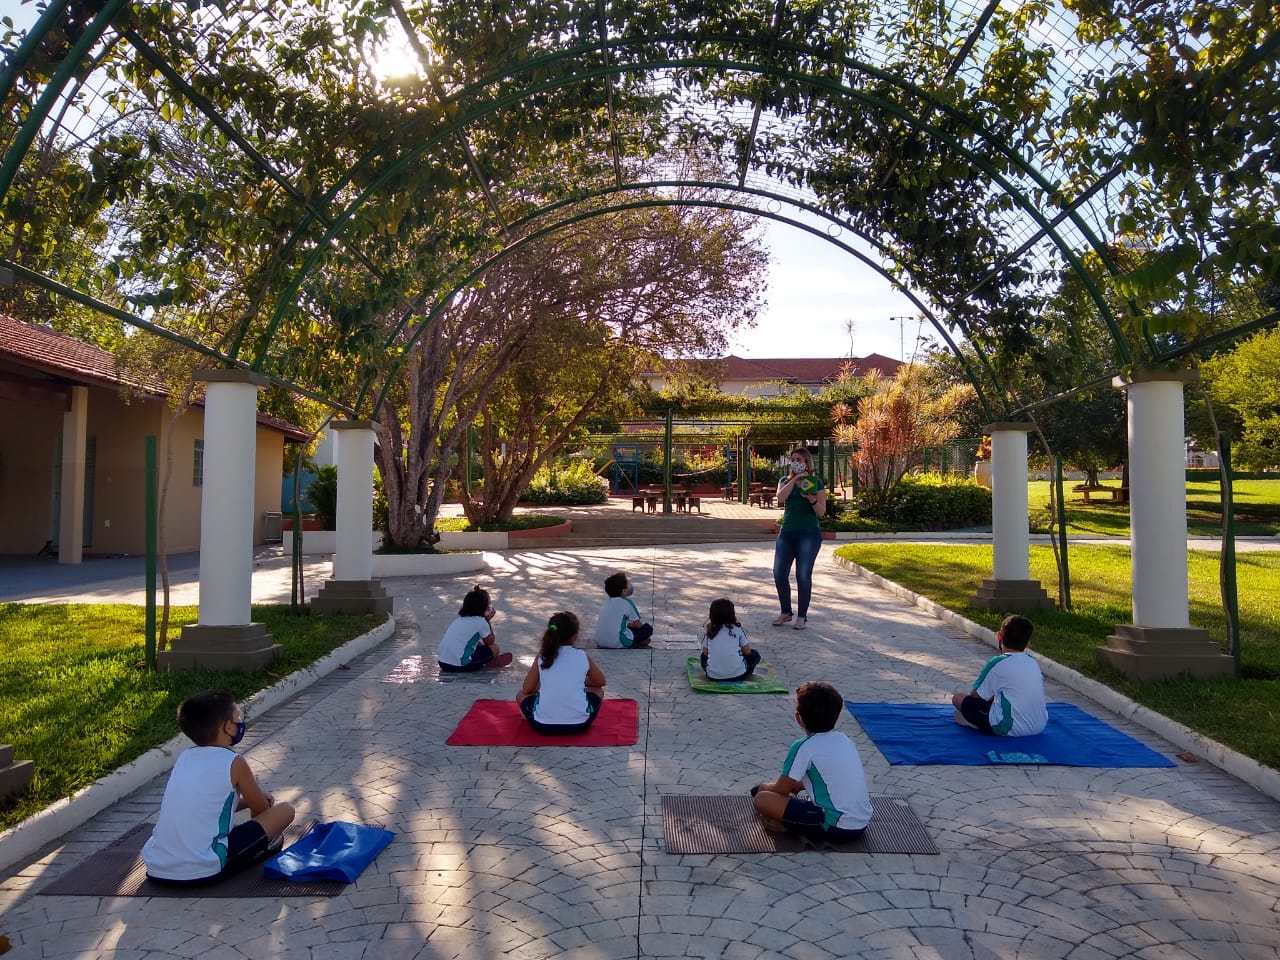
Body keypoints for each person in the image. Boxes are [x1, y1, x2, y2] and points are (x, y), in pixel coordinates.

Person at [142, 690, 296, 884]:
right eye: (238, 716)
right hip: (203, 868)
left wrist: (245, 802)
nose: (240, 721)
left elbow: (206, 805)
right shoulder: (234, 762)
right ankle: (260, 848)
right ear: (228, 727)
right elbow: (262, 809)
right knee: (285, 811)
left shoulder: (184, 758)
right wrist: (255, 805)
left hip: (156, 867)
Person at [751, 681, 873, 842]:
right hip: (861, 822)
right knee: (795, 791)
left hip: (835, 827)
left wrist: (763, 787)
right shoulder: (844, 740)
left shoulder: (803, 747)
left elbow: (781, 790)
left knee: (761, 798)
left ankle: (790, 824)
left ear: (798, 718)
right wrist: (800, 785)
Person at [952, 614, 1047, 736]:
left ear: (999, 636)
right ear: (1028, 643)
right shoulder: (1033, 662)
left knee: (958, 698)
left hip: (1008, 727)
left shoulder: (998, 662)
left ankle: (973, 721)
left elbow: (976, 695)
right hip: (1039, 725)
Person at [517, 611, 607, 734]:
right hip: (580, 724)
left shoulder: (543, 656)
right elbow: (600, 682)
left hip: (543, 726)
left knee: (520, 695)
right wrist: (582, 681)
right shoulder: (581, 655)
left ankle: (531, 713)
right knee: (597, 691)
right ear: (574, 636)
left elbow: (527, 689)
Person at [772, 446, 827, 630]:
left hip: (808, 534)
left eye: (799, 460)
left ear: (806, 462)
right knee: (779, 573)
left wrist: (810, 498)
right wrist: (794, 479)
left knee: (802, 575)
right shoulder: (784, 480)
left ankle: (802, 616)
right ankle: (786, 612)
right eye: (793, 459)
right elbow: (780, 498)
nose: (796, 462)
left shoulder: (816, 482)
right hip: (787, 533)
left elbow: (821, 511)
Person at [438, 585, 513, 671]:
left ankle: (482, 660)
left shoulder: (459, 619)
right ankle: (486, 662)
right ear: (485, 607)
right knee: (495, 648)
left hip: (442, 663)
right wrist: (487, 620)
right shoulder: (481, 622)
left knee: (478, 644)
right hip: (460, 665)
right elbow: (490, 641)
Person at [701, 597, 762, 681]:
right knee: (755, 654)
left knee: (702, 657)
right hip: (738, 675)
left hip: (713, 676)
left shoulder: (710, 629)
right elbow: (747, 651)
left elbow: (705, 652)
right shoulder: (737, 628)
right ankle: (744, 671)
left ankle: (717, 671)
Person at [591, 571, 653, 648]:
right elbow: (639, 625)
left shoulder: (607, 601)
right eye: (628, 585)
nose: (630, 586)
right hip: (618, 642)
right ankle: (639, 642)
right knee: (648, 629)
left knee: (628, 627)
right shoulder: (627, 602)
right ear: (623, 591)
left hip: (599, 641)